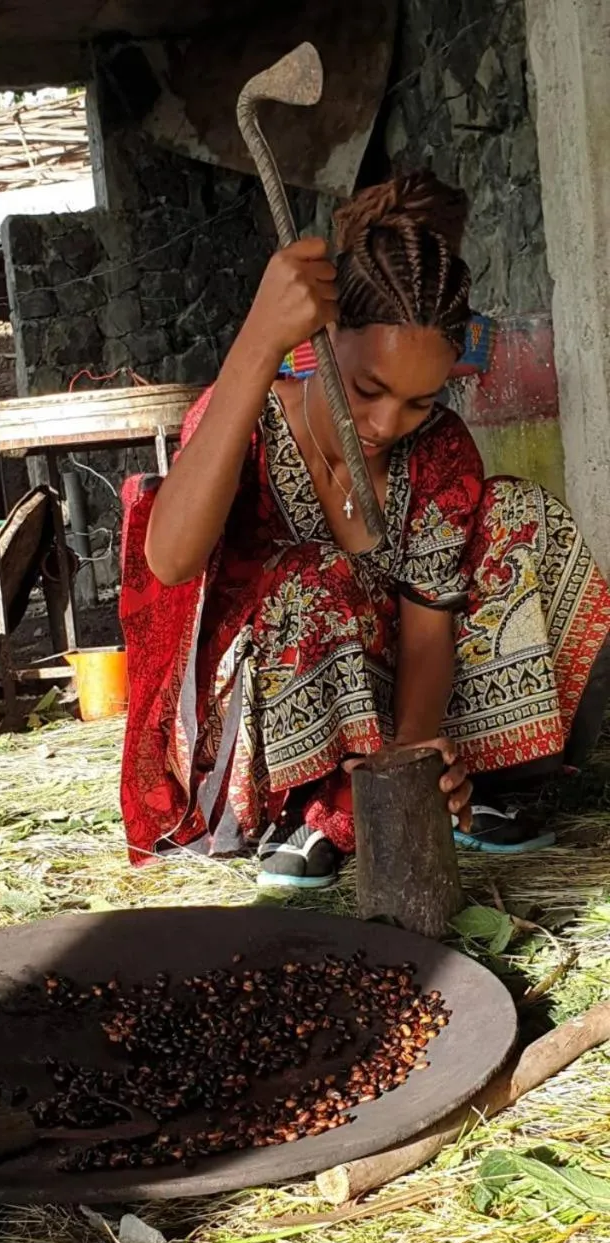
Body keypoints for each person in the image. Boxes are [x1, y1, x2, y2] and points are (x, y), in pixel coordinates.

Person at [119, 171, 610, 889]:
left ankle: (473, 786)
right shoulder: (253, 417)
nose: (385, 425)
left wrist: (412, 763)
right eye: (368, 390)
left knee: (519, 516)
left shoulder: (438, 449)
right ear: (323, 339)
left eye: (419, 401)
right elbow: (169, 559)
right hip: (261, 722)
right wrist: (257, 344)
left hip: (390, 699)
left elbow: (427, 626)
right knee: (317, 575)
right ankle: (309, 810)